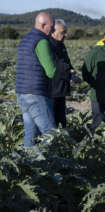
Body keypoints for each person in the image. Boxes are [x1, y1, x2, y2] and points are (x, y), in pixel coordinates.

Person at [15, 12, 57, 147]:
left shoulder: (26, 39)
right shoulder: (42, 41)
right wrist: (67, 73)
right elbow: (51, 72)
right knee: (51, 134)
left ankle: (28, 166)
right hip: (35, 94)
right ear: (43, 25)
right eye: (51, 27)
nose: (53, 30)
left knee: (31, 136)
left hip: (22, 93)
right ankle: (50, 165)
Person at [49, 19, 80, 128]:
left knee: (61, 121)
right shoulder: (49, 45)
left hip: (61, 90)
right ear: (53, 31)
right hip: (51, 90)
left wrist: (73, 75)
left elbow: (67, 63)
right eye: (63, 32)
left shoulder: (61, 46)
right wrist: (69, 70)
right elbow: (56, 64)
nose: (66, 35)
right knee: (51, 122)